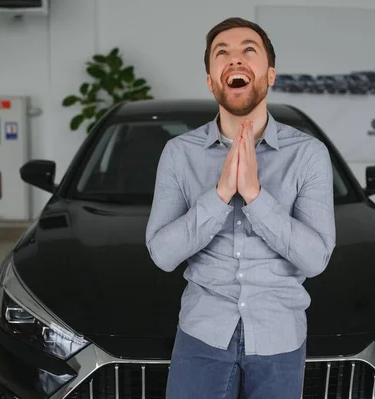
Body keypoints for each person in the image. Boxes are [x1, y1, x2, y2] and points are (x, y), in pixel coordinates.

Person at [145, 16, 336, 399]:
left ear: (270, 75)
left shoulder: (309, 155)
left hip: (280, 337)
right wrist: (217, 199)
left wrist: (254, 196)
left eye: (249, 51)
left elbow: (316, 259)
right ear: (211, 80)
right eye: (222, 53)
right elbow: (162, 254)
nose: (235, 60)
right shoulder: (179, 154)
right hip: (201, 335)